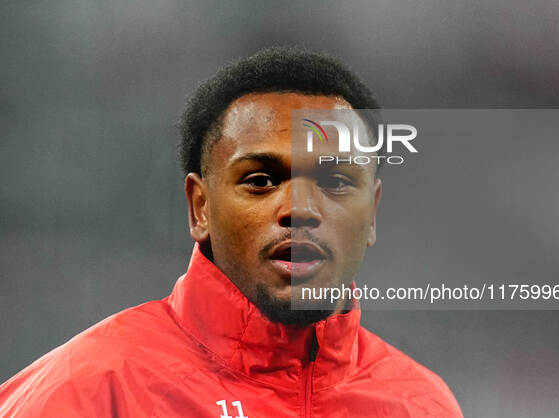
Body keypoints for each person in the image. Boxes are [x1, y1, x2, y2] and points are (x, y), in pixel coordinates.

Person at [0, 47, 463, 417]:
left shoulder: (423, 405)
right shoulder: (87, 392)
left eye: (335, 182)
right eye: (261, 181)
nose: (299, 209)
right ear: (199, 207)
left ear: (373, 215)